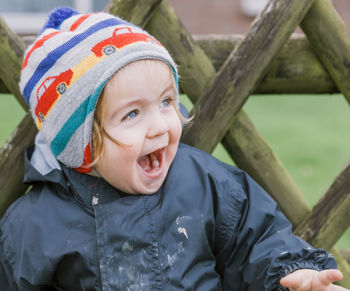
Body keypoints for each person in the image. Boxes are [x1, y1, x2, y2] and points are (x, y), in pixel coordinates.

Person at [0, 7, 347, 291]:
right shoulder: (33, 225)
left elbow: (258, 242)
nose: (161, 125)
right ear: (80, 144)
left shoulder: (203, 184)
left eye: (167, 101)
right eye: (132, 113)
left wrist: (294, 272)